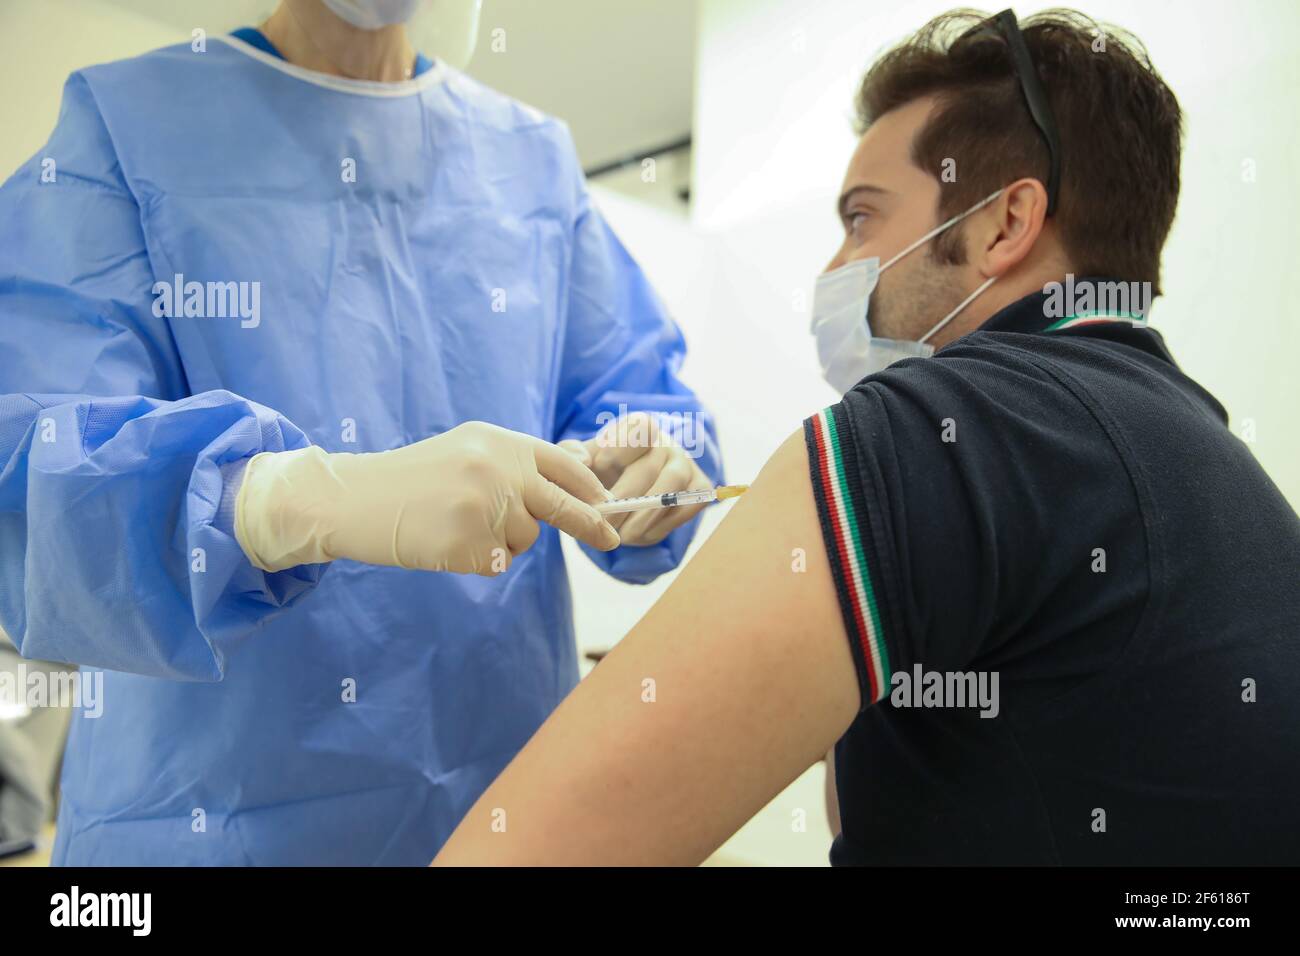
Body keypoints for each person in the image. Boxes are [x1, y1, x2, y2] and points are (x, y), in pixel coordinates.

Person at [431, 8, 1300, 866]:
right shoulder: (1218, 461)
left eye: (861, 219)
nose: (831, 271)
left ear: (1005, 225)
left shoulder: (938, 429)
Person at [0, 0, 720, 864]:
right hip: (213, 817)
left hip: (507, 797)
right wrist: (276, 503)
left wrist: (646, 451)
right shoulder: (127, 127)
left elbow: (631, 383)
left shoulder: (530, 161)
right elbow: (40, 475)